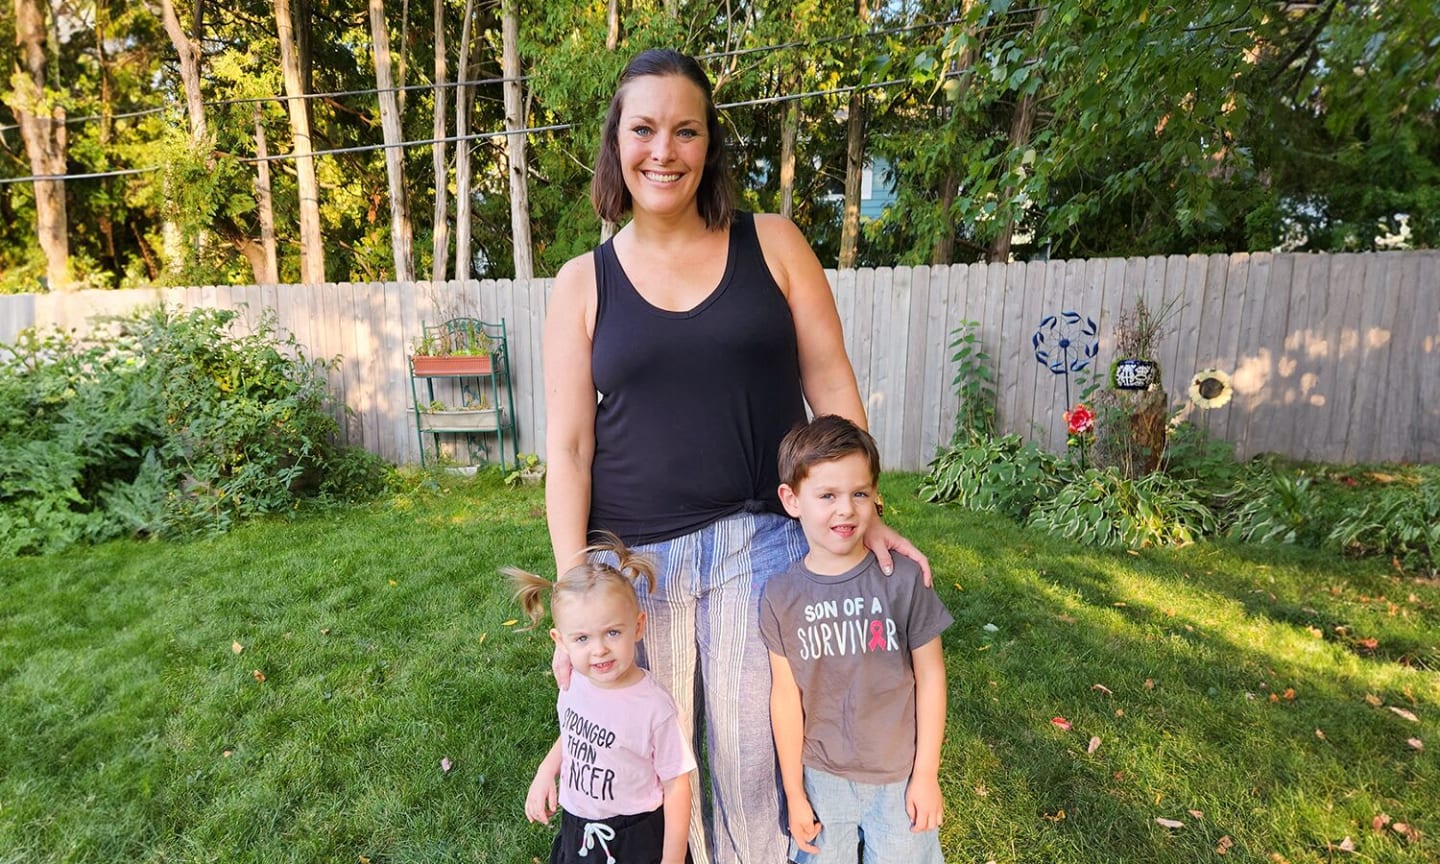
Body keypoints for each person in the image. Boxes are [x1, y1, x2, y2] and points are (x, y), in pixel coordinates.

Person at [542, 47, 931, 864]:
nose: (664, 150)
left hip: (764, 543)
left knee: (758, 765)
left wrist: (862, 515)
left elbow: (829, 381)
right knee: (652, 758)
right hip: (634, 561)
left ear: (710, 146)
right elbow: (571, 450)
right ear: (617, 142)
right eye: (644, 129)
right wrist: (575, 605)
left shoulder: (775, 244)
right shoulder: (582, 282)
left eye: (686, 131)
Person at [761, 415, 952, 863]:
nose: (846, 509)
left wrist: (926, 773)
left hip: (898, 775)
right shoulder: (780, 594)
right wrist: (794, 793)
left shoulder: (903, 581)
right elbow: (785, 696)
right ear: (792, 500)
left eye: (859, 494)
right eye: (827, 495)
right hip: (822, 778)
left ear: (875, 496)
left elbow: (931, 677)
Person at [510, 534, 696, 864]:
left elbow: (677, 786)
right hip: (578, 826)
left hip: (635, 837)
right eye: (582, 638)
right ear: (561, 641)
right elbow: (575, 732)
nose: (599, 649)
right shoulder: (576, 683)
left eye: (612, 632)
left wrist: (673, 860)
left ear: (637, 626)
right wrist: (546, 771)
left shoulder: (653, 707)